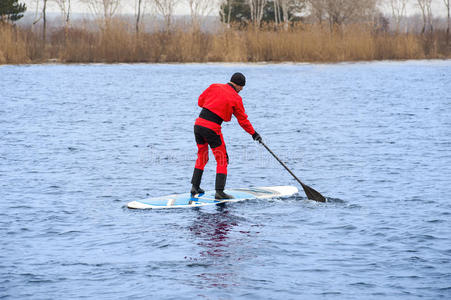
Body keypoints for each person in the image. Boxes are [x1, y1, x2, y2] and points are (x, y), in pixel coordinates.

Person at [190, 72, 262, 200]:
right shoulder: (236, 98)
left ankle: (195, 187)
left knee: (202, 155)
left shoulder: (214, 86)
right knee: (222, 159)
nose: (241, 90)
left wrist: (214, 104)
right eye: (242, 88)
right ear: (239, 86)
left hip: (198, 126)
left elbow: (200, 102)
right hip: (212, 128)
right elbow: (243, 121)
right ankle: (220, 192)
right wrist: (254, 134)